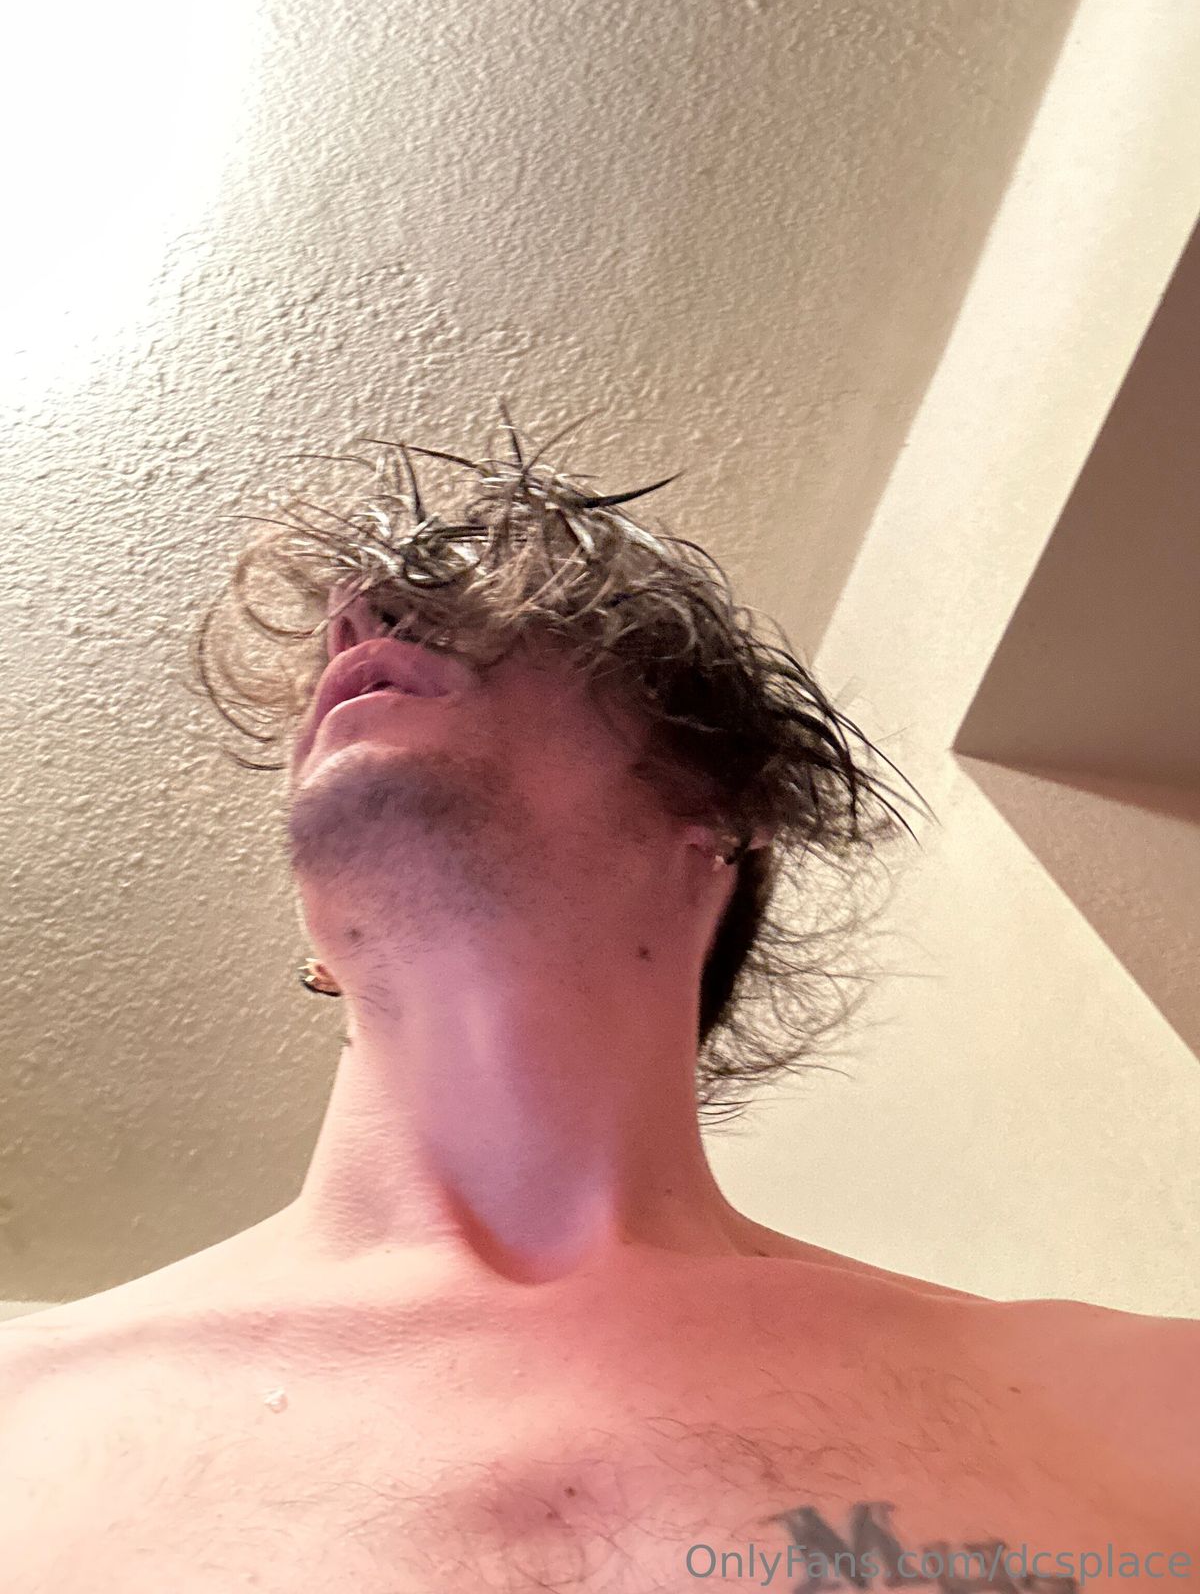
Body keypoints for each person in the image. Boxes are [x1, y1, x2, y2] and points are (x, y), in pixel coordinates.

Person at [1, 408, 1196, 1591]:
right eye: (358, 626)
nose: (356, 627)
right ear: (317, 939)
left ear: (724, 806)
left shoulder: (1156, 1409)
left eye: (460, 615)